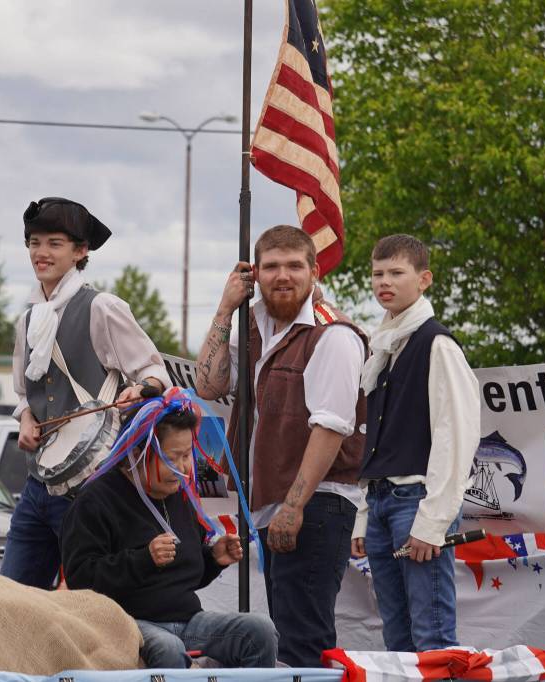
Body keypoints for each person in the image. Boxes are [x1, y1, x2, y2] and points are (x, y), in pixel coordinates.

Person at [194, 225, 368, 667]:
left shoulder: (334, 335)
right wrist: (224, 307)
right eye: (271, 266)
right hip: (272, 505)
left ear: (313, 271)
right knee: (286, 637)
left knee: (302, 641)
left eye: (294, 265)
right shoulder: (251, 325)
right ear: (255, 273)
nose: (282, 276)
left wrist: (294, 507)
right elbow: (208, 384)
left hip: (316, 503)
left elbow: (330, 428)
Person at [3, 197, 171, 589]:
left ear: (81, 251)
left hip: (91, 488)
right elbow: (25, 395)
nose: (41, 253)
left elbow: (154, 371)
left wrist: (142, 389)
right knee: (12, 598)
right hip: (37, 485)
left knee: (92, 604)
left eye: (54, 243)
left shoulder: (102, 308)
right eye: (34, 242)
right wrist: (26, 419)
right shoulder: (27, 319)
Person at [61, 391, 277, 669]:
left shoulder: (177, 494)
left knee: (259, 630)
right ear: (138, 454)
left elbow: (185, 573)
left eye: (188, 455)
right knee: (168, 648)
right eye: (174, 457)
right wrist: (143, 559)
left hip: (188, 621)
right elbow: (81, 579)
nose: (185, 468)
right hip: (128, 623)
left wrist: (213, 558)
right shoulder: (95, 501)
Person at [350, 234, 480, 652]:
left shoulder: (436, 343)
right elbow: (378, 439)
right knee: (398, 640)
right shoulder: (383, 347)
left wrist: (433, 521)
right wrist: (365, 513)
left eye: (395, 273)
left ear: (424, 279)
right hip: (384, 500)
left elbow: (455, 434)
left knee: (433, 637)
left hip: (417, 502)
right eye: (377, 273)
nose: (383, 281)